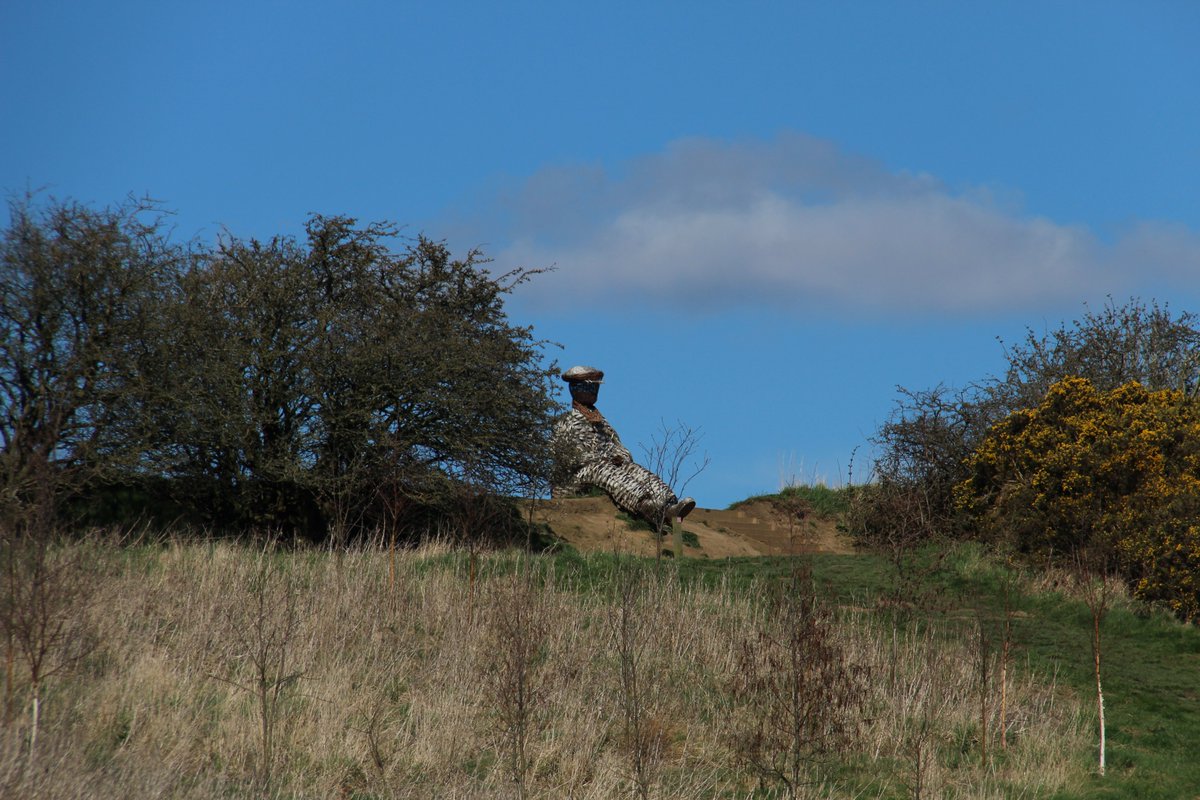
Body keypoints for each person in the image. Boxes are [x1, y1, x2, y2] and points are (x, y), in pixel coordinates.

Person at [551, 365, 696, 529]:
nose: (594, 391)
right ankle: (646, 506)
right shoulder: (566, 422)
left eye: (596, 387)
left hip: (605, 466)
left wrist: (621, 457)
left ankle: (669, 505)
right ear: (577, 388)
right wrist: (603, 459)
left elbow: (617, 445)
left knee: (634, 469)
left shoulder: (601, 422)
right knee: (604, 470)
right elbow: (568, 458)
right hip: (577, 478)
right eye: (590, 386)